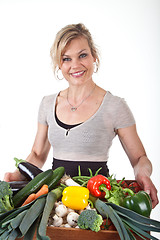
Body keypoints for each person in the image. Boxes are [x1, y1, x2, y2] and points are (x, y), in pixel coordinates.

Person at [4, 23, 158, 208]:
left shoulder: (115, 106)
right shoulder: (47, 103)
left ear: (94, 56)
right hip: (55, 200)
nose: (75, 65)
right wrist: (17, 174)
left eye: (82, 55)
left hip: (97, 200)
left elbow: (140, 158)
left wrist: (143, 175)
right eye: (66, 58)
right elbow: (37, 154)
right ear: (59, 64)